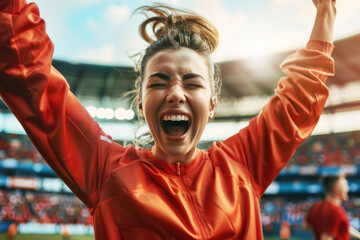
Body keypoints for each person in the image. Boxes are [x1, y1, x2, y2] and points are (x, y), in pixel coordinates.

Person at [0, 0, 336, 239]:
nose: (175, 93)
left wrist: (326, 9)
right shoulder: (107, 171)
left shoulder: (241, 165)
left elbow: (298, 100)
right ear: (143, 103)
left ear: (213, 103)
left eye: (192, 82)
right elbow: (30, 75)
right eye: (159, 82)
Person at [304, 174, 360, 240]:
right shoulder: (335, 211)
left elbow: (305, 226)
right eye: (345, 185)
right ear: (336, 188)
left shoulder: (317, 206)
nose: (347, 188)